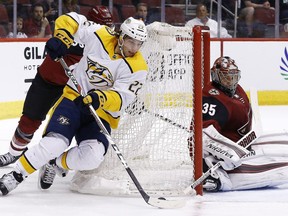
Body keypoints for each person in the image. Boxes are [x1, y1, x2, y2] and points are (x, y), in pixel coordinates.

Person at [0, 15, 148, 196]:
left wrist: (99, 98)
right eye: (131, 42)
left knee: (92, 157)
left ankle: (54, 163)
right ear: (121, 36)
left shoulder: (138, 67)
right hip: (73, 99)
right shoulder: (100, 34)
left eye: (139, 44)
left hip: (101, 113)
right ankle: (15, 176)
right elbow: (73, 20)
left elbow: (123, 97)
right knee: (54, 143)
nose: (134, 48)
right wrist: (61, 37)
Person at [0, 6, 113, 169]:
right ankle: (13, 153)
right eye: (103, 26)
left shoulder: (108, 43)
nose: (106, 31)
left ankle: (53, 161)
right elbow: (67, 21)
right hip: (48, 81)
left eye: (109, 27)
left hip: (73, 91)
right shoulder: (80, 26)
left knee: (61, 128)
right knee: (29, 120)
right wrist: (60, 39)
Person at [201, 56, 288, 192]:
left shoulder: (236, 90)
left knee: (285, 141)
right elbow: (202, 137)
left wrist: (237, 150)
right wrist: (228, 153)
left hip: (242, 145)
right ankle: (215, 178)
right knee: (282, 169)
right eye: (226, 77)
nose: (230, 81)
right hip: (220, 161)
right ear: (215, 76)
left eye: (234, 76)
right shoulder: (211, 99)